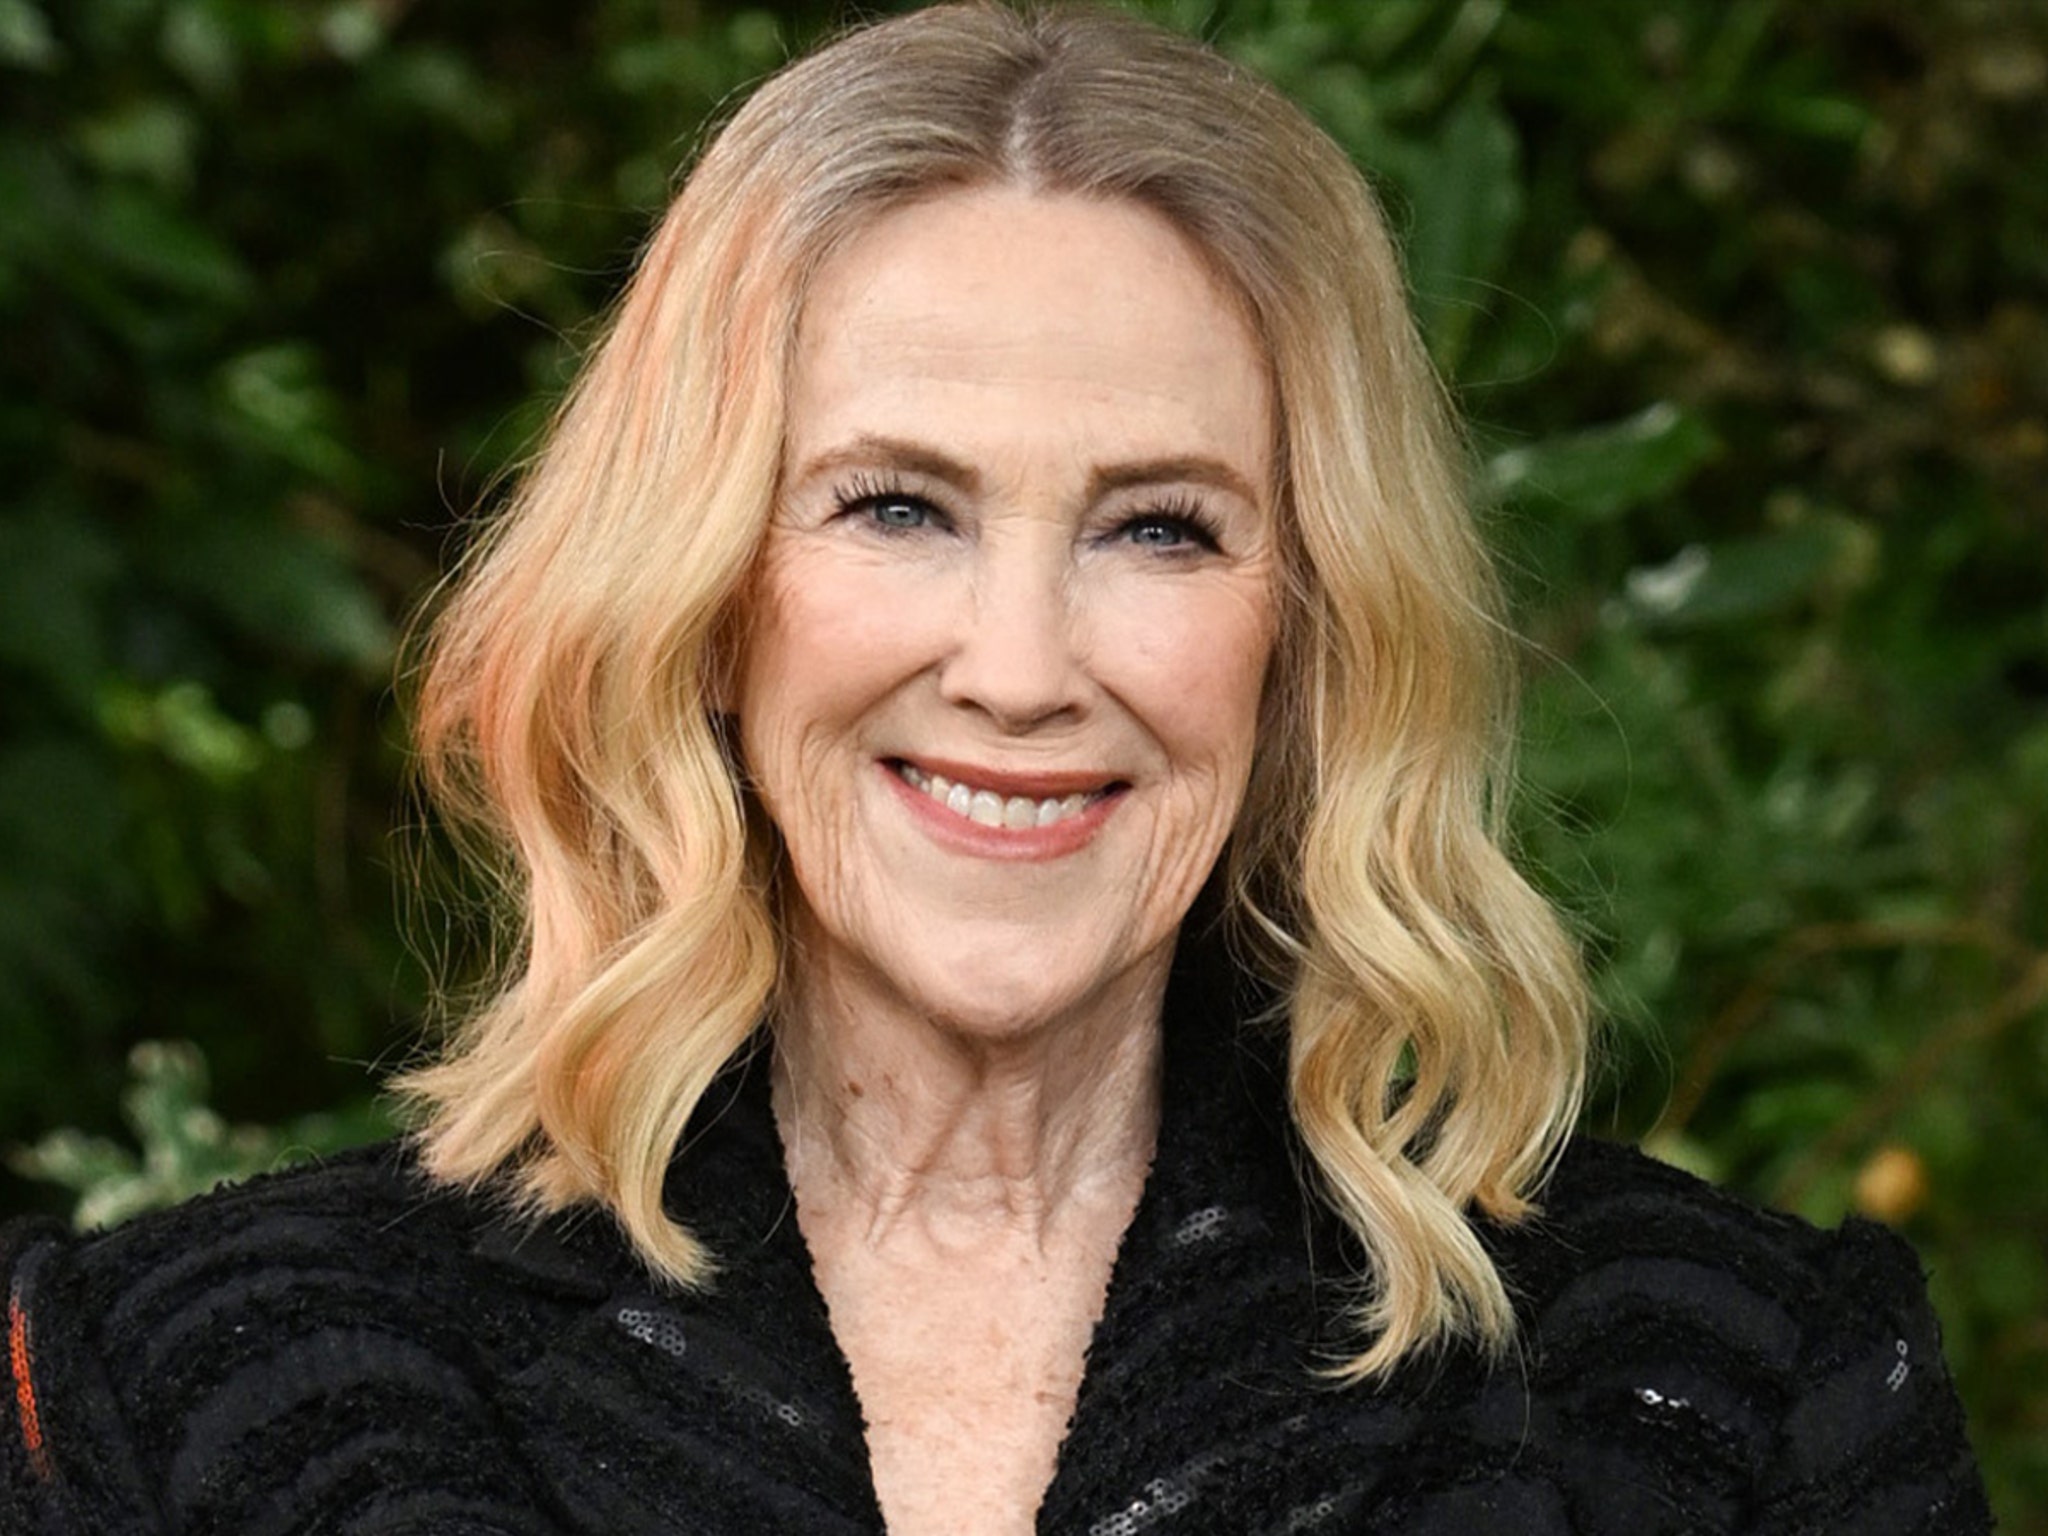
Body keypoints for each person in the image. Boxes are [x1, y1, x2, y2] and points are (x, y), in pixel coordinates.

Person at [0, 4, 1990, 1533]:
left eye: (1160, 529)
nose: (1021, 671)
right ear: (702, 596)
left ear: (1308, 631)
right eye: (894, 508)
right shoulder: (175, 1393)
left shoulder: (1732, 1389)